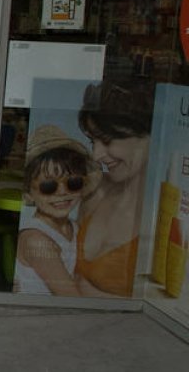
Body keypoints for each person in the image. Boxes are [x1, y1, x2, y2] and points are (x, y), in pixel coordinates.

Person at [74, 79, 153, 298]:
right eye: (93, 141)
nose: (96, 155)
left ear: (148, 138)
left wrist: (86, 291)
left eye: (107, 140)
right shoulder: (95, 191)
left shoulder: (166, 214)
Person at [13, 125, 98, 296]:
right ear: (29, 194)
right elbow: (72, 297)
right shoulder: (36, 240)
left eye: (73, 183)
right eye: (48, 186)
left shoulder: (74, 228)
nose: (62, 192)